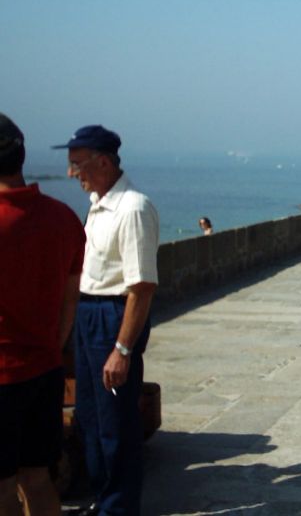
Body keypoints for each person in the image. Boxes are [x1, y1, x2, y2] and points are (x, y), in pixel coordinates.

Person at [53, 125, 159, 516]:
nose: (71, 174)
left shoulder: (132, 208)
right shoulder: (99, 204)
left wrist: (122, 349)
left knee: (115, 422)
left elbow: (141, 286)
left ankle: (119, 507)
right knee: (91, 418)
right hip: (88, 313)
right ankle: (104, 499)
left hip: (111, 316)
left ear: (102, 162)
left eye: (76, 164)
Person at [0, 114, 85, 516]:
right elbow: (70, 300)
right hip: (44, 370)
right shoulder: (63, 218)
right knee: (37, 478)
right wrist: (50, 346)